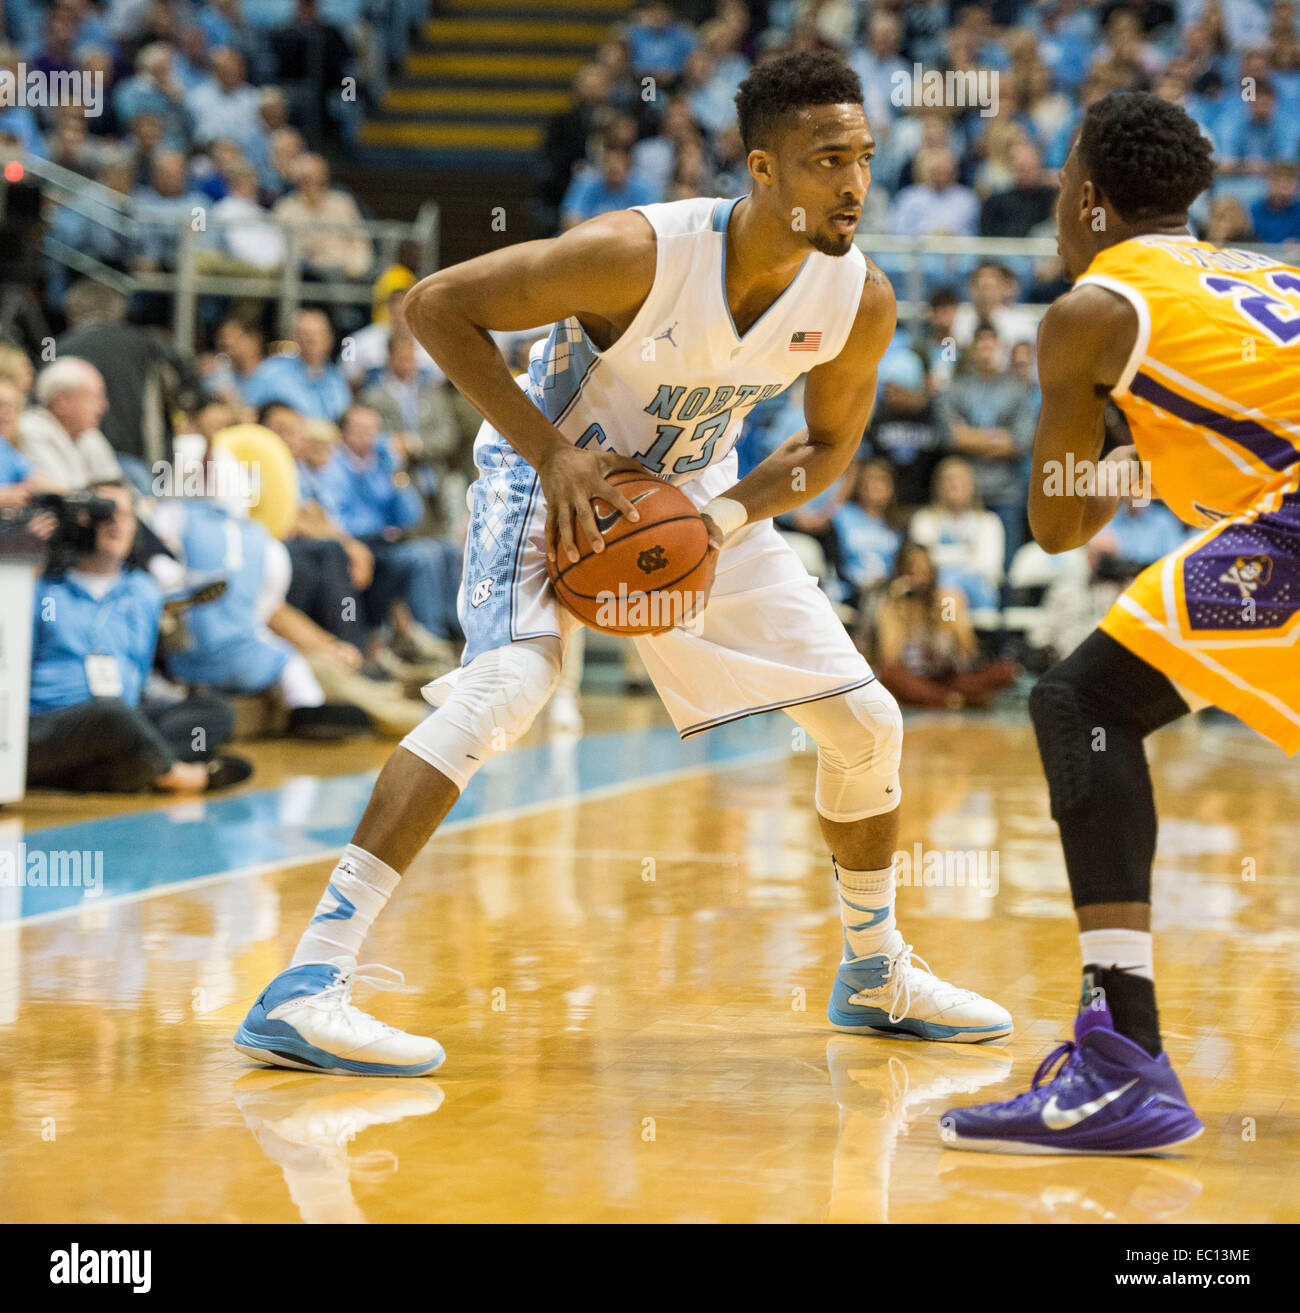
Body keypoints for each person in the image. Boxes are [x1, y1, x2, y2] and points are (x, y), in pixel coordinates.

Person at [232, 50, 1011, 1078]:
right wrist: (551, 450)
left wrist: (717, 519)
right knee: (508, 685)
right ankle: (306, 982)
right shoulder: (634, 255)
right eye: (828, 160)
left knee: (865, 724)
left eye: (864, 157)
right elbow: (434, 307)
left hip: (690, 503)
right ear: (762, 170)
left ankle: (872, 971)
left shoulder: (860, 299)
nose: (856, 184)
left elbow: (823, 452)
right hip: (547, 472)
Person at [943, 91, 1297, 1155]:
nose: (1055, 203)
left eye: (1058, 181)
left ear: (1088, 199)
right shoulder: (1264, 268)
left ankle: (1120, 1058)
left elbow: (1057, 522)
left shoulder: (1089, 312)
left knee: (1081, 697)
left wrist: (1098, 422)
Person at [27, 481, 252, 794]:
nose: (116, 523)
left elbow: (142, 674)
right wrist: (27, 558)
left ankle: (99, 774)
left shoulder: (143, 592)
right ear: (81, 519)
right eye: (104, 512)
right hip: (53, 724)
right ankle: (181, 776)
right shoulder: (44, 587)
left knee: (214, 713)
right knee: (109, 715)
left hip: (125, 718)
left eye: (126, 515)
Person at [872, 542, 1018, 710]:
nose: (920, 578)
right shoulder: (893, 604)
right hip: (914, 676)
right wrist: (897, 607)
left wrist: (945, 611)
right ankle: (954, 699)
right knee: (889, 674)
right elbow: (889, 656)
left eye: (924, 571)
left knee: (1006, 670)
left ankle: (943, 698)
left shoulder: (947, 599)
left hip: (948, 675)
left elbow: (967, 651)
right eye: (913, 572)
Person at [18, 359, 122, 489]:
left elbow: (119, 487)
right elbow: (62, 497)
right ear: (63, 402)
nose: (103, 408)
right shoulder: (30, 430)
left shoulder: (89, 435)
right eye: (94, 398)